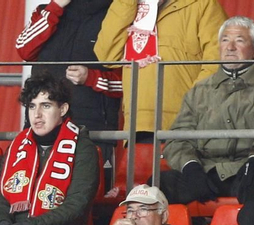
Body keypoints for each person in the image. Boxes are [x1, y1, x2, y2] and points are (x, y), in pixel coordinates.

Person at [160, 18, 254, 207]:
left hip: (247, 170)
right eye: (224, 40)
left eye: (239, 40)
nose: (230, 47)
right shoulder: (200, 89)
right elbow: (178, 138)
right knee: (158, 185)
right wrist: (190, 166)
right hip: (205, 171)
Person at [0, 76, 99, 225]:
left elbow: (76, 208)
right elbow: (0, 196)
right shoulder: (17, 145)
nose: (36, 115)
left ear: (63, 108)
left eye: (45, 106)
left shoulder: (82, 148)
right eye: (32, 106)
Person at [94, 0, 226, 136]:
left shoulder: (202, 5)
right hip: (137, 124)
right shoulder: (129, 6)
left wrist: (192, 105)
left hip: (186, 123)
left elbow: (218, 61)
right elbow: (106, 56)